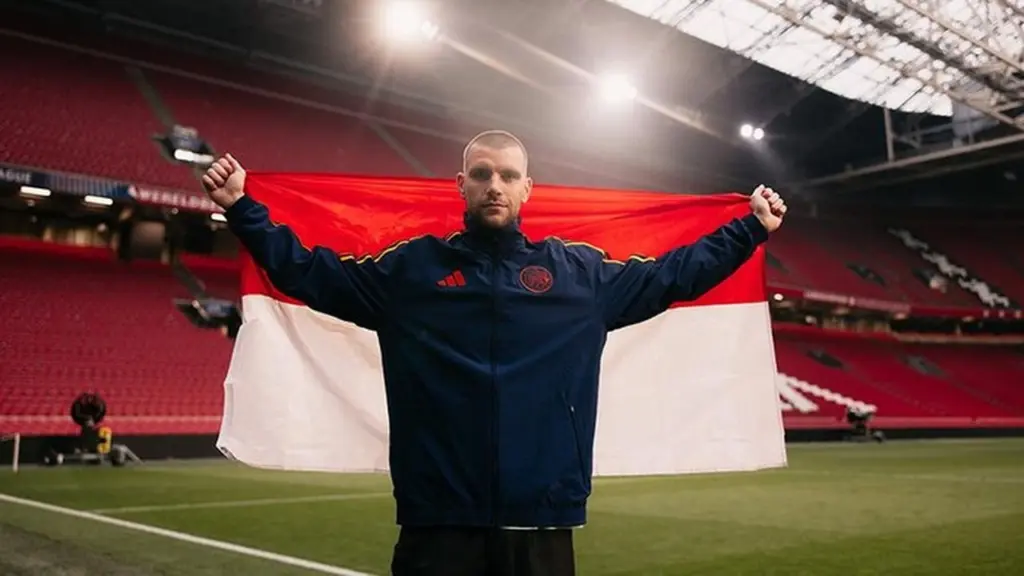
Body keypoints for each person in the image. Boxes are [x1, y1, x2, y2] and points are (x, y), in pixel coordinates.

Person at [202, 130, 786, 576]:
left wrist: (749, 230)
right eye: (482, 174)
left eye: (508, 175)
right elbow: (312, 274)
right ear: (461, 184)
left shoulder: (579, 277)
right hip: (438, 522)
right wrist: (242, 208)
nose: (495, 185)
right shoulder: (412, 272)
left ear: (528, 188)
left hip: (541, 522)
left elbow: (674, 275)